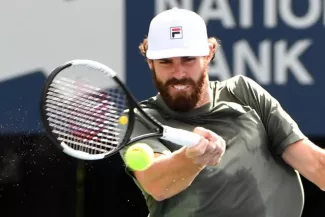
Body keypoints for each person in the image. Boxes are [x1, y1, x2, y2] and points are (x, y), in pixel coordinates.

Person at [119, 8, 325, 217]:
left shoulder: (244, 92)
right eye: (166, 62)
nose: (178, 73)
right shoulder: (137, 120)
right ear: (150, 62)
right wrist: (192, 158)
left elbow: (317, 165)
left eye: (188, 59)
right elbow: (157, 184)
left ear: (209, 53)